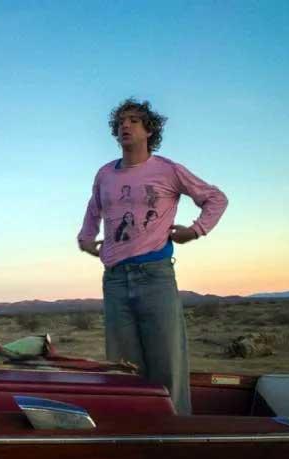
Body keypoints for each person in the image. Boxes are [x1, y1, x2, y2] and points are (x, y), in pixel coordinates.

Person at [77, 97, 228, 415]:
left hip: (155, 276)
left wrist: (196, 230)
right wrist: (86, 238)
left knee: (167, 366)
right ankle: (134, 431)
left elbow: (216, 198)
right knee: (123, 369)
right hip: (115, 280)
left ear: (149, 130)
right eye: (121, 121)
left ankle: (176, 432)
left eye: (134, 120)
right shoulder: (105, 174)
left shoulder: (168, 170)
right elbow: (94, 208)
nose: (125, 125)